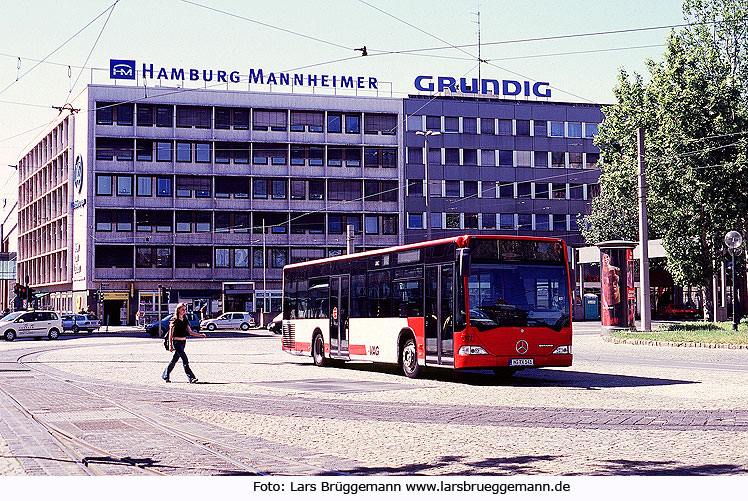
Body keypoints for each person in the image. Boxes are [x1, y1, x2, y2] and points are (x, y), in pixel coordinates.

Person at [162, 302, 206, 383]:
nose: (184, 311)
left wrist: (200, 335)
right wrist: (170, 345)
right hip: (176, 343)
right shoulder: (174, 320)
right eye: (182, 309)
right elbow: (170, 334)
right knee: (185, 360)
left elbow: (190, 332)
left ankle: (165, 375)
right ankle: (191, 378)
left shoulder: (185, 320)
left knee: (174, 360)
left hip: (183, 342)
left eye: (185, 309)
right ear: (178, 310)